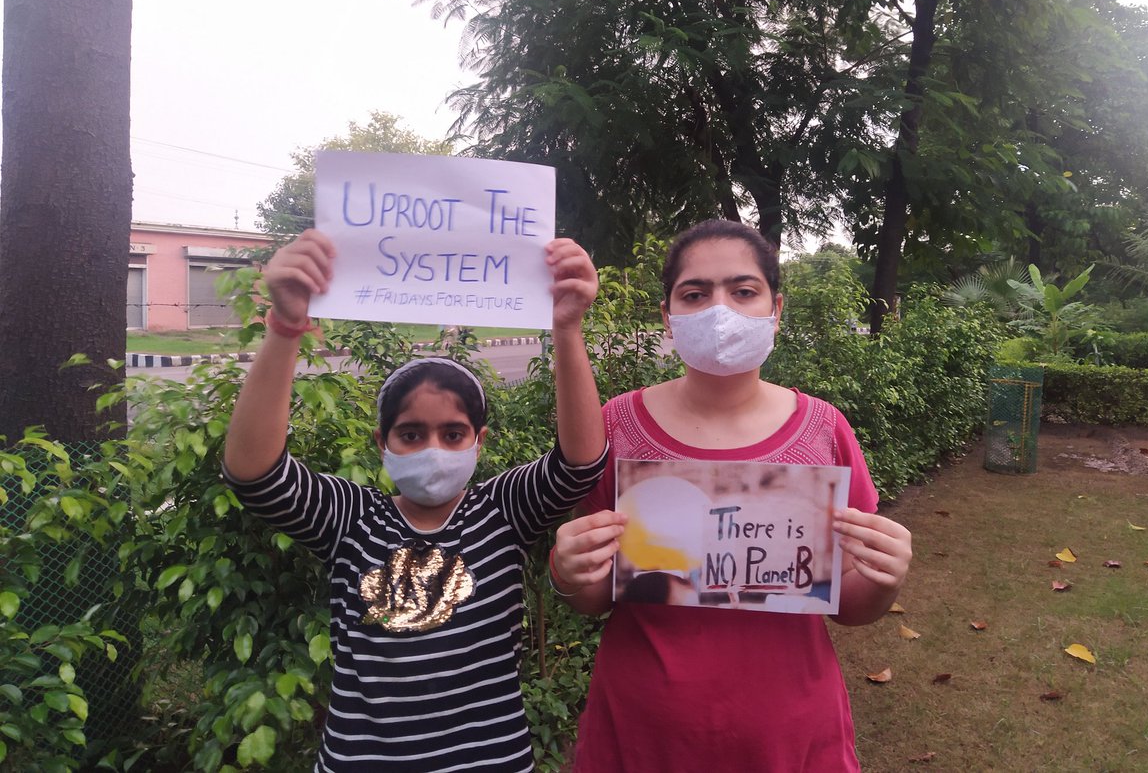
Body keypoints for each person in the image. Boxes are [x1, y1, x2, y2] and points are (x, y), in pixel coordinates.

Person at [223, 228, 608, 772]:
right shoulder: (351, 520)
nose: (432, 449)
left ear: (480, 441)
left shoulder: (501, 513)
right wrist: (286, 329)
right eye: (410, 434)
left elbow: (580, 466)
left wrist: (567, 328)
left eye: (453, 434)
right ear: (383, 444)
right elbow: (256, 476)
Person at [551, 219, 912, 772]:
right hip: (642, 735)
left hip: (789, 736)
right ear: (668, 319)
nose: (720, 309)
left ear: (776, 308)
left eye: (744, 291)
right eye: (695, 294)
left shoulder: (824, 430)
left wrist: (886, 578)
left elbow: (852, 607)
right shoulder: (616, 425)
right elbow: (596, 594)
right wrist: (569, 572)